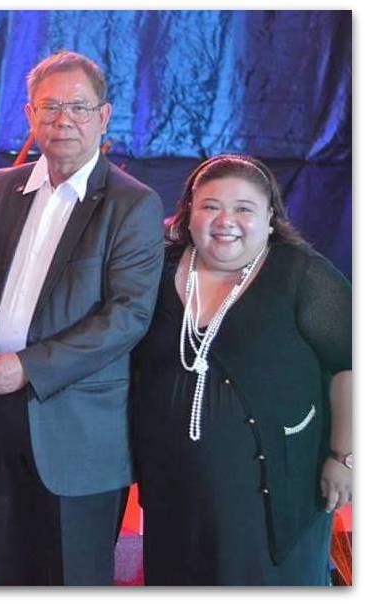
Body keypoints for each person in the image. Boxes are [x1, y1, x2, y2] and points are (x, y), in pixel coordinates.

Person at [0, 50, 164, 585]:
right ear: (30, 115)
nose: (63, 120)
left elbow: (128, 316)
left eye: (78, 107)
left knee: (74, 580)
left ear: (104, 115)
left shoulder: (131, 203)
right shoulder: (2, 186)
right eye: (50, 107)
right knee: (3, 574)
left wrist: (26, 367)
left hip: (80, 431)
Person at [130, 154, 352, 585]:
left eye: (244, 208)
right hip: (174, 492)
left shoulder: (301, 273)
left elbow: (350, 364)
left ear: (270, 218)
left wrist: (345, 458)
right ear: (188, 214)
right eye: (210, 206)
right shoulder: (156, 270)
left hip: (275, 493)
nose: (225, 220)